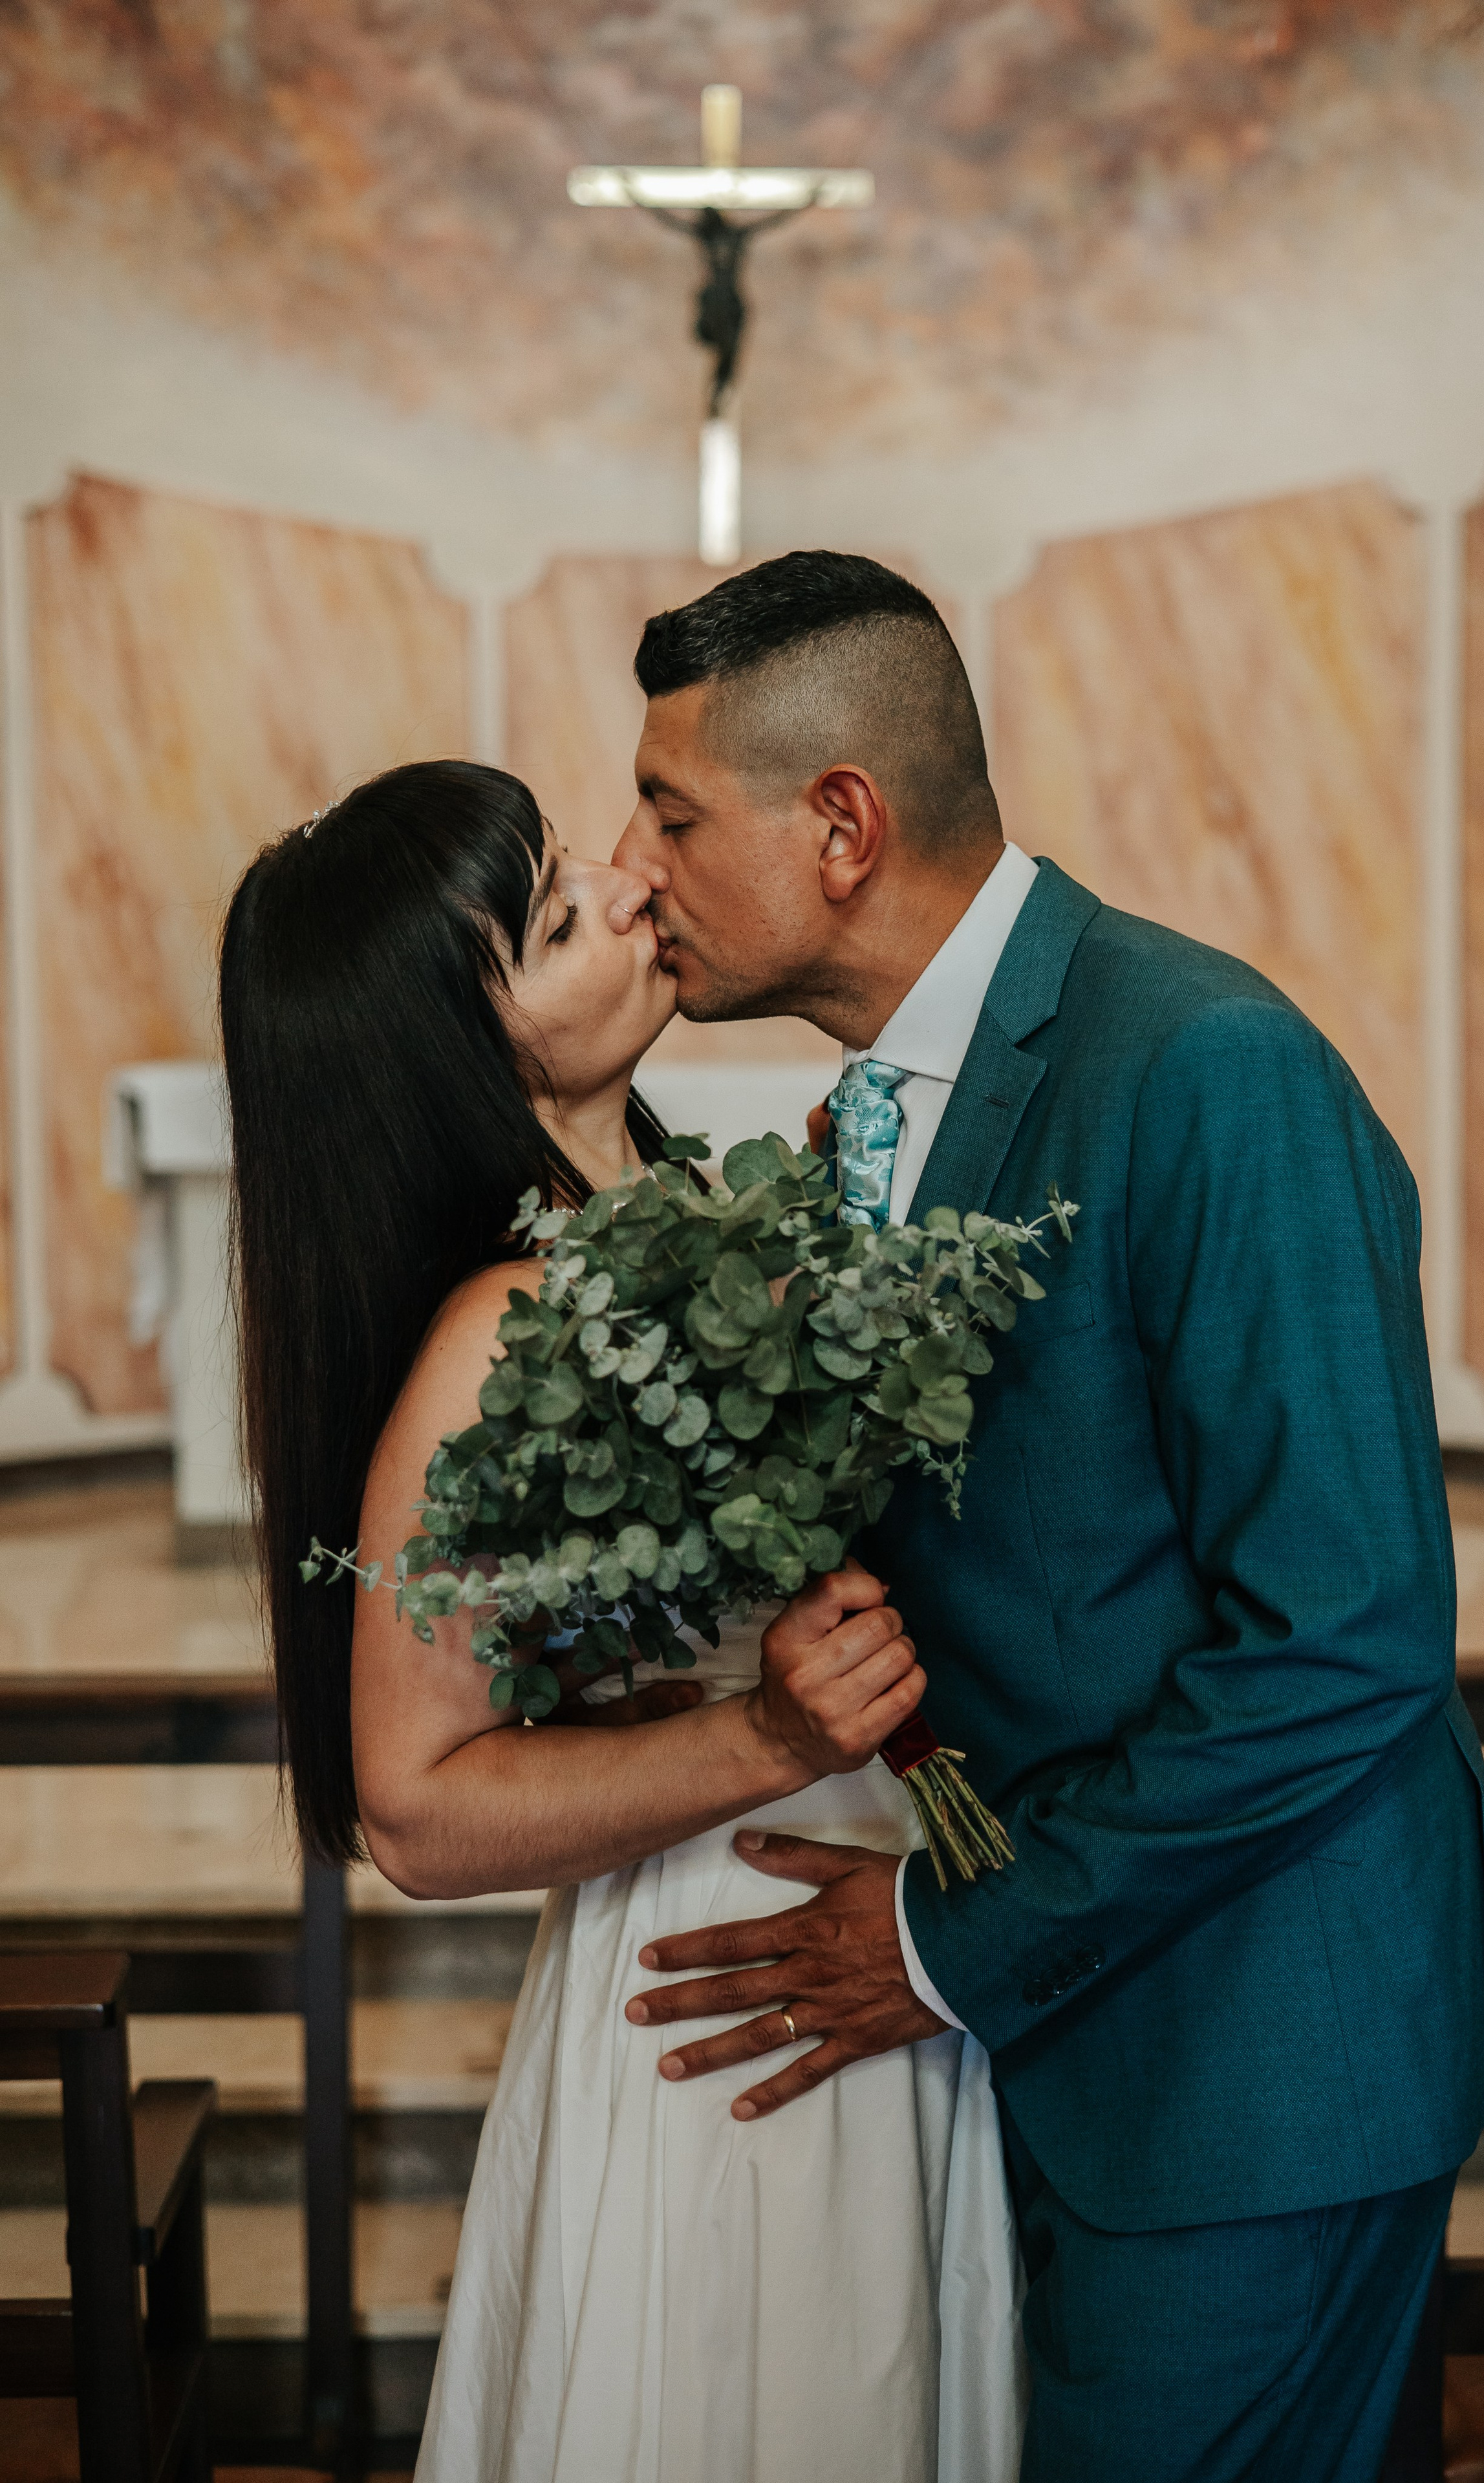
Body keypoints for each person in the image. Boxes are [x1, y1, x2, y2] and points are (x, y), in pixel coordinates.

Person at [610, 551, 1484, 2482]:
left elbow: (1347, 1634)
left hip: (1258, 2056)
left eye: (674, 815)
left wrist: (958, 1946)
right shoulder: (886, 1107)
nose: (636, 870)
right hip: (1107, 2028)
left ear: (843, 827)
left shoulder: (1208, 1069)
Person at [219, 760, 1024, 2483]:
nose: (636, 890)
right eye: (563, 917)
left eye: (586, 866)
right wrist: (774, 1731)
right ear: (468, 1050)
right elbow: (413, 1807)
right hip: (727, 1966)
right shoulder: (495, 1335)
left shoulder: (661, 1230)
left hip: (862, 1922)